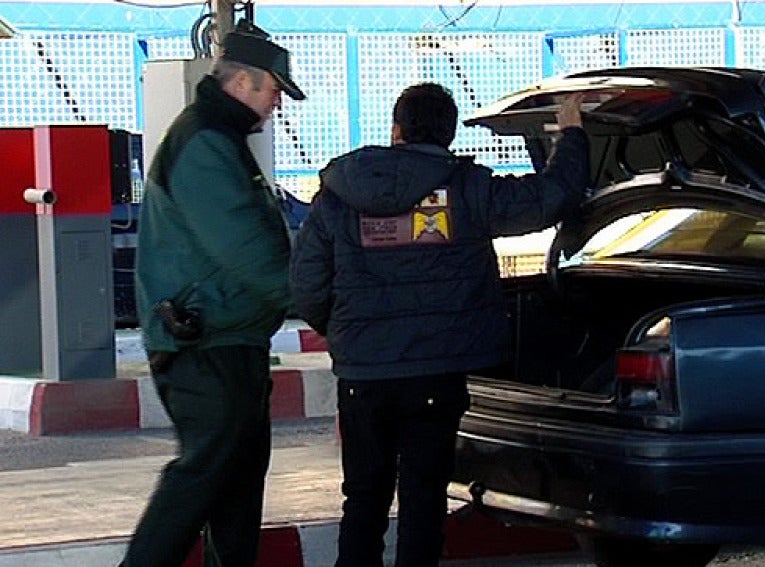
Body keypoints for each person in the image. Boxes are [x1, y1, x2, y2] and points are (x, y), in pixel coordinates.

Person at [290, 82, 589, 567]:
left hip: (364, 376)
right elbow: (549, 197)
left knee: (363, 498)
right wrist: (571, 137)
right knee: (423, 499)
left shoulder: (341, 193)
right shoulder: (468, 189)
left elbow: (306, 283)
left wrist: (350, 334)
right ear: (448, 135)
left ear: (396, 129)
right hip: (437, 374)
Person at [120, 21, 305, 567]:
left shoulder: (219, 138)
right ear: (244, 82)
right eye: (274, 89)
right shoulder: (203, 141)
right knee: (201, 478)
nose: (276, 103)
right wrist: (314, 302)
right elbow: (246, 247)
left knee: (236, 487)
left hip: (231, 336)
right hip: (206, 342)